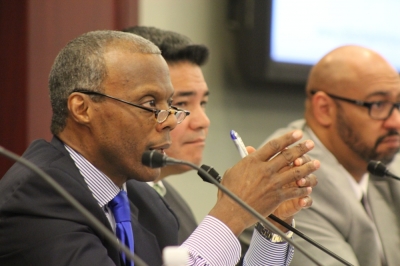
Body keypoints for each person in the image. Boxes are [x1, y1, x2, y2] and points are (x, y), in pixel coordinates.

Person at [0, 30, 319, 266]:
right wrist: (230, 215)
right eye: (151, 103)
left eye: (171, 105)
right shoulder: (37, 197)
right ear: (83, 109)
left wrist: (271, 226)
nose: (169, 121)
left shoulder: (144, 199)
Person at [261, 45, 400, 266]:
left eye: (397, 104)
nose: (396, 121)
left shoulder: (385, 162)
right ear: (324, 109)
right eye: (378, 104)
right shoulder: (292, 175)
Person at [122, 26, 210, 244]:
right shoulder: (116, 202)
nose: (203, 121)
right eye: (180, 104)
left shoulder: (167, 194)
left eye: (203, 103)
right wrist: (230, 216)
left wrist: (272, 229)